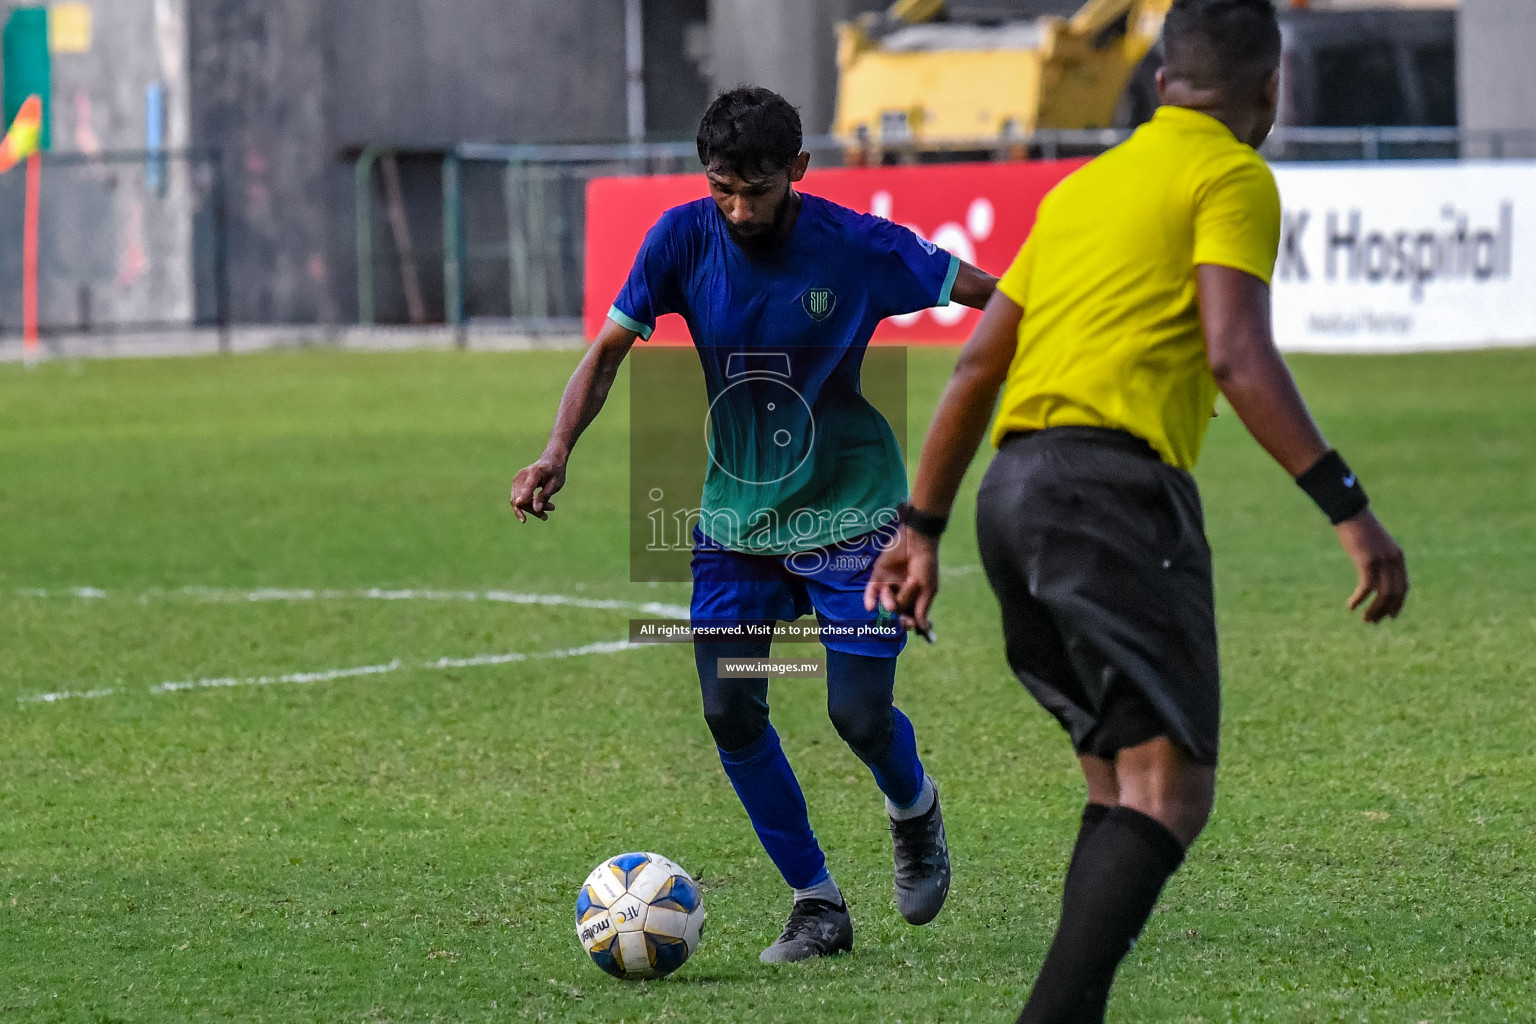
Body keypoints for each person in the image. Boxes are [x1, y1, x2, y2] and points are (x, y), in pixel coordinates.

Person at [865, 1, 1409, 1019]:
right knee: (1173, 793)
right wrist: (1349, 507)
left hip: (1010, 497)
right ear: (1269, 91)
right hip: (1109, 495)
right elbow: (1237, 352)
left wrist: (923, 528)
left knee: (1119, 785)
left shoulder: (1082, 187)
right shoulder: (1233, 173)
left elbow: (980, 361)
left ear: (1160, 83)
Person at [511, 86, 998, 963]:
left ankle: (914, 809)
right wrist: (556, 451)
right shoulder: (681, 239)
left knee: (857, 713)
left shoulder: (856, 244)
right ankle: (817, 905)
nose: (738, 210)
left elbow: (992, 299)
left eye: (758, 190)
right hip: (739, 527)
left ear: (798, 171)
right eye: (722, 188)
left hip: (856, 524)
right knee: (730, 706)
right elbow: (609, 351)